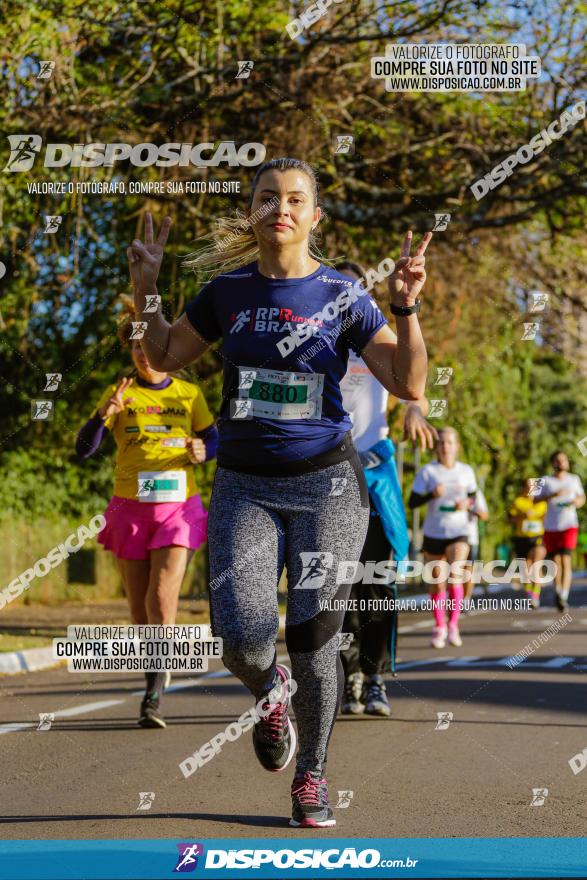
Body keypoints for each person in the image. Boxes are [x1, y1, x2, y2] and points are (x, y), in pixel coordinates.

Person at [126, 157, 430, 827]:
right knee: (239, 639)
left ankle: (311, 777)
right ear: (254, 211)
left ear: (313, 216)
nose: (280, 208)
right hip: (244, 486)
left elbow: (407, 383)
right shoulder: (226, 293)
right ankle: (270, 693)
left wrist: (405, 308)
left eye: (295, 199)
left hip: (327, 487)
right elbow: (162, 356)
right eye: (267, 197)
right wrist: (144, 286)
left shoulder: (343, 295)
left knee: (315, 633)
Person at [76, 298, 218, 728]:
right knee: (139, 610)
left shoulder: (188, 394)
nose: (142, 354)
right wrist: (104, 416)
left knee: (161, 598)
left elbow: (214, 440)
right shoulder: (120, 393)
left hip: (178, 508)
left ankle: (153, 695)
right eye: (135, 347)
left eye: (148, 345)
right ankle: (158, 665)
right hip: (130, 509)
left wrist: (203, 449)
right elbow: (84, 450)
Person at [337, 260, 436, 718]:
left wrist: (416, 410)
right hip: (326, 478)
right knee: (335, 587)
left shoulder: (377, 341)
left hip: (374, 475)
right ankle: (349, 673)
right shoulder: (308, 343)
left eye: (357, 289)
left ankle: (376, 677)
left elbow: (413, 383)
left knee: (376, 582)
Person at [408, 427, 478, 649]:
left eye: (449, 442)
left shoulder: (466, 471)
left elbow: (474, 497)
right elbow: (412, 502)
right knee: (437, 583)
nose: (445, 447)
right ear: (436, 447)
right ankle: (440, 627)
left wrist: (467, 504)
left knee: (455, 574)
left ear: (457, 447)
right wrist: (431, 494)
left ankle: (454, 625)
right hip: (434, 532)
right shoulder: (428, 472)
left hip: (459, 531)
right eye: (441, 443)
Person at [536, 452, 585, 611]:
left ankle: (564, 595)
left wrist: (578, 502)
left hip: (569, 524)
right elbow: (534, 499)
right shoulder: (545, 480)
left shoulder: (574, 479)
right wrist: (551, 495)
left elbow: (582, 498)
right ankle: (558, 591)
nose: (562, 462)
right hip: (550, 526)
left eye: (564, 459)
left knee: (565, 559)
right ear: (553, 463)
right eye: (558, 460)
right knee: (555, 562)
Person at [508, 478, 547, 608]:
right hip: (522, 537)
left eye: (533, 486)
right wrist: (521, 516)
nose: (530, 488)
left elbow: (548, 517)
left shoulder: (542, 503)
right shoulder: (518, 501)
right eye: (527, 486)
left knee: (536, 563)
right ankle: (529, 591)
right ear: (523, 487)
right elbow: (509, 519)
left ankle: (535, 595)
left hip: (538, 536)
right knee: (526, 567)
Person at [462, 488, 489, 608]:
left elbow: (485, 515)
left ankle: (466, 600)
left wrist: (470, 509)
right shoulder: (448, 488)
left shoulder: (475, 493)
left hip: (470, 537)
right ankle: (455, 598)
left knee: (468, 571)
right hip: (448, 535)